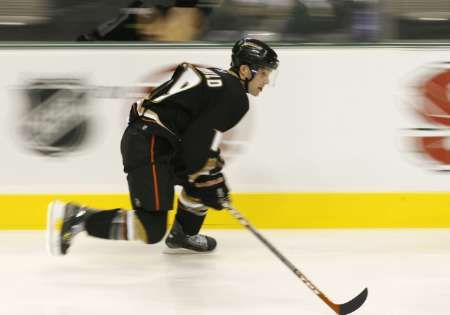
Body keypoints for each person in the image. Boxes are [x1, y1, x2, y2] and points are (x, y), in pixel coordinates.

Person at [46, 37, 279, 255]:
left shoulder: (221, 81)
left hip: (155, 138)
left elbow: (199, 138)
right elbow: (198, 140)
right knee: (151, 229)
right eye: (264, 73)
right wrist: (212, 181)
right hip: (151, 142)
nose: (267, 81)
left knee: (204, 176)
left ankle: (183, 234)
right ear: (246, 70)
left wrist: (210, 175)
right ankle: (80, 218)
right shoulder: (236, 97)